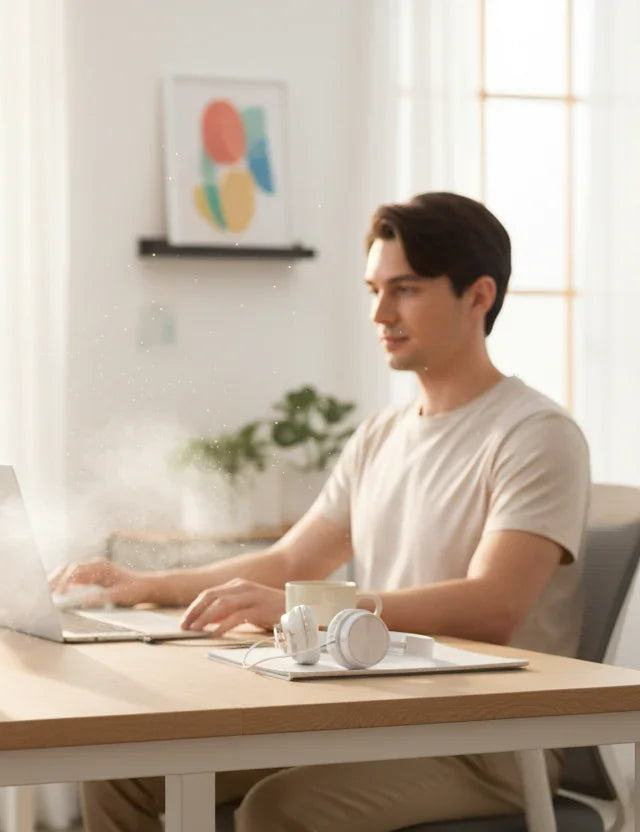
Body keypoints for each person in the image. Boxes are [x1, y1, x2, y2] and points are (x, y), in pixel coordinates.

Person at [51, 192, 591, 832]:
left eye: (406, 290)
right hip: (374, 716)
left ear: (478, 296)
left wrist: (314, 611)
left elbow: (494, 606)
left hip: (488, 745)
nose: (381, 313)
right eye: (374, 289)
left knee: (278, 812)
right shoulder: (382, 435)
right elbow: (290, 560)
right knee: (126, 768)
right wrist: (143, 586)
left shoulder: (536, 434)